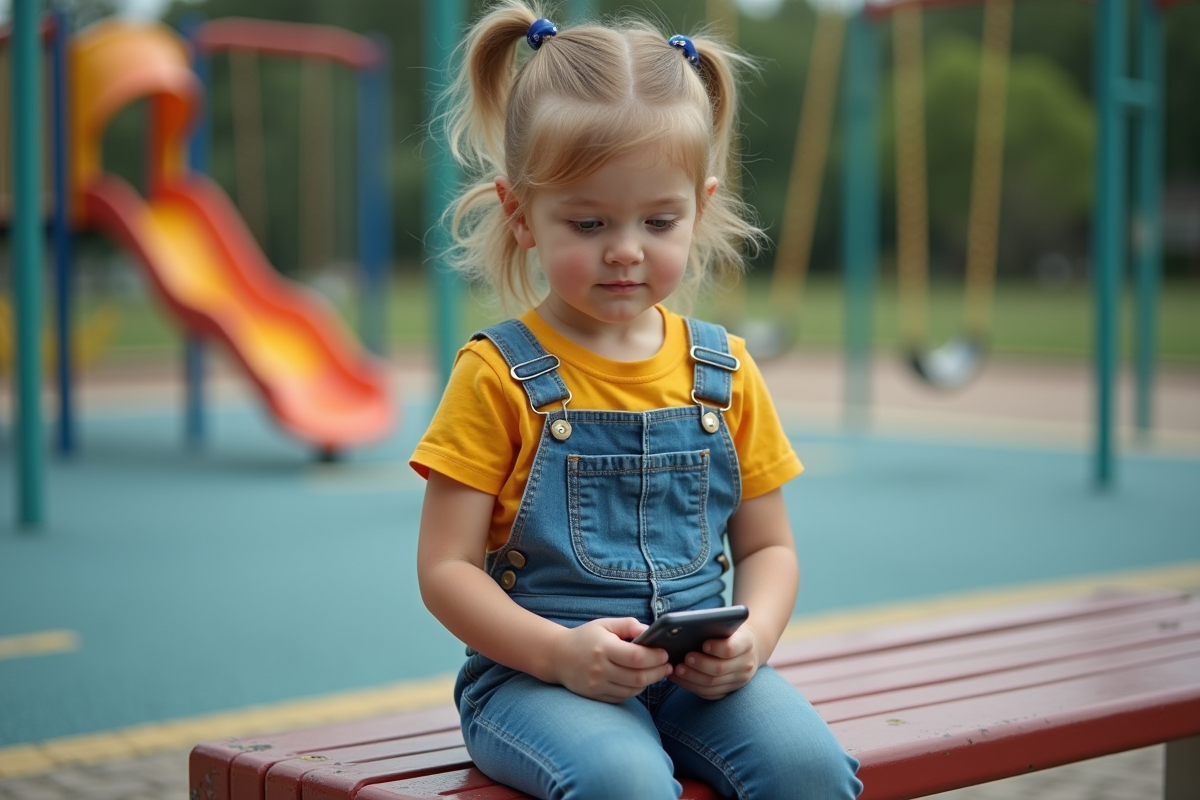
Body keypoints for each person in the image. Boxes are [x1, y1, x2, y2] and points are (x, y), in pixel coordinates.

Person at [411, 3, 862, 798]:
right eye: (588, 222)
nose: (625, 249)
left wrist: (752, 637)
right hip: (533, 681)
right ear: (519, 212)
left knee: (809, 770)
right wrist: (558, 655)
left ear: (701, 203)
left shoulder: (722, 371)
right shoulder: (497, 375)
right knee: (625, 782)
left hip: (698, 682)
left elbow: (768, 549)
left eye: (659, 220)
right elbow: (446, 569)